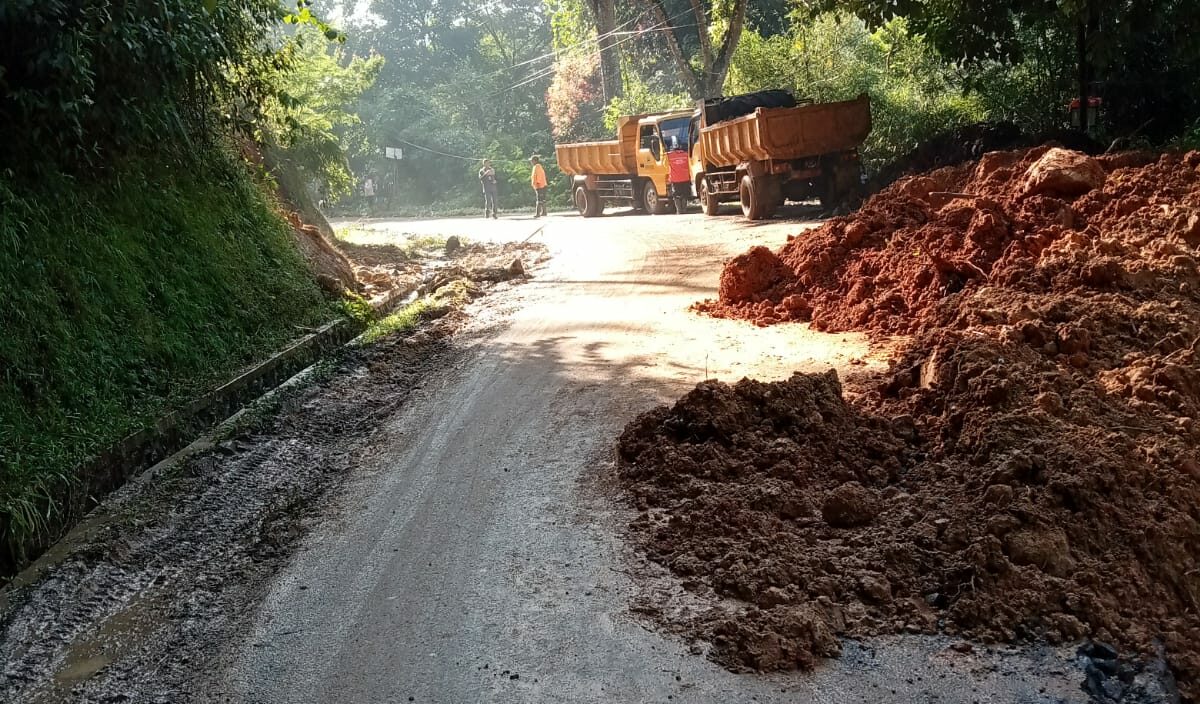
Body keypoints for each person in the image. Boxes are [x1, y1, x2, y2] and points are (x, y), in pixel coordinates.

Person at [666, 136, 691, 214]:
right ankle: (684, 210)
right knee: (684, 194)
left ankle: (679, 211)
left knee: (676, 195)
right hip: (685, 178)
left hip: (675, 179)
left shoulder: (669, 156)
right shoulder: (686, 154)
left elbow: (664, 165)